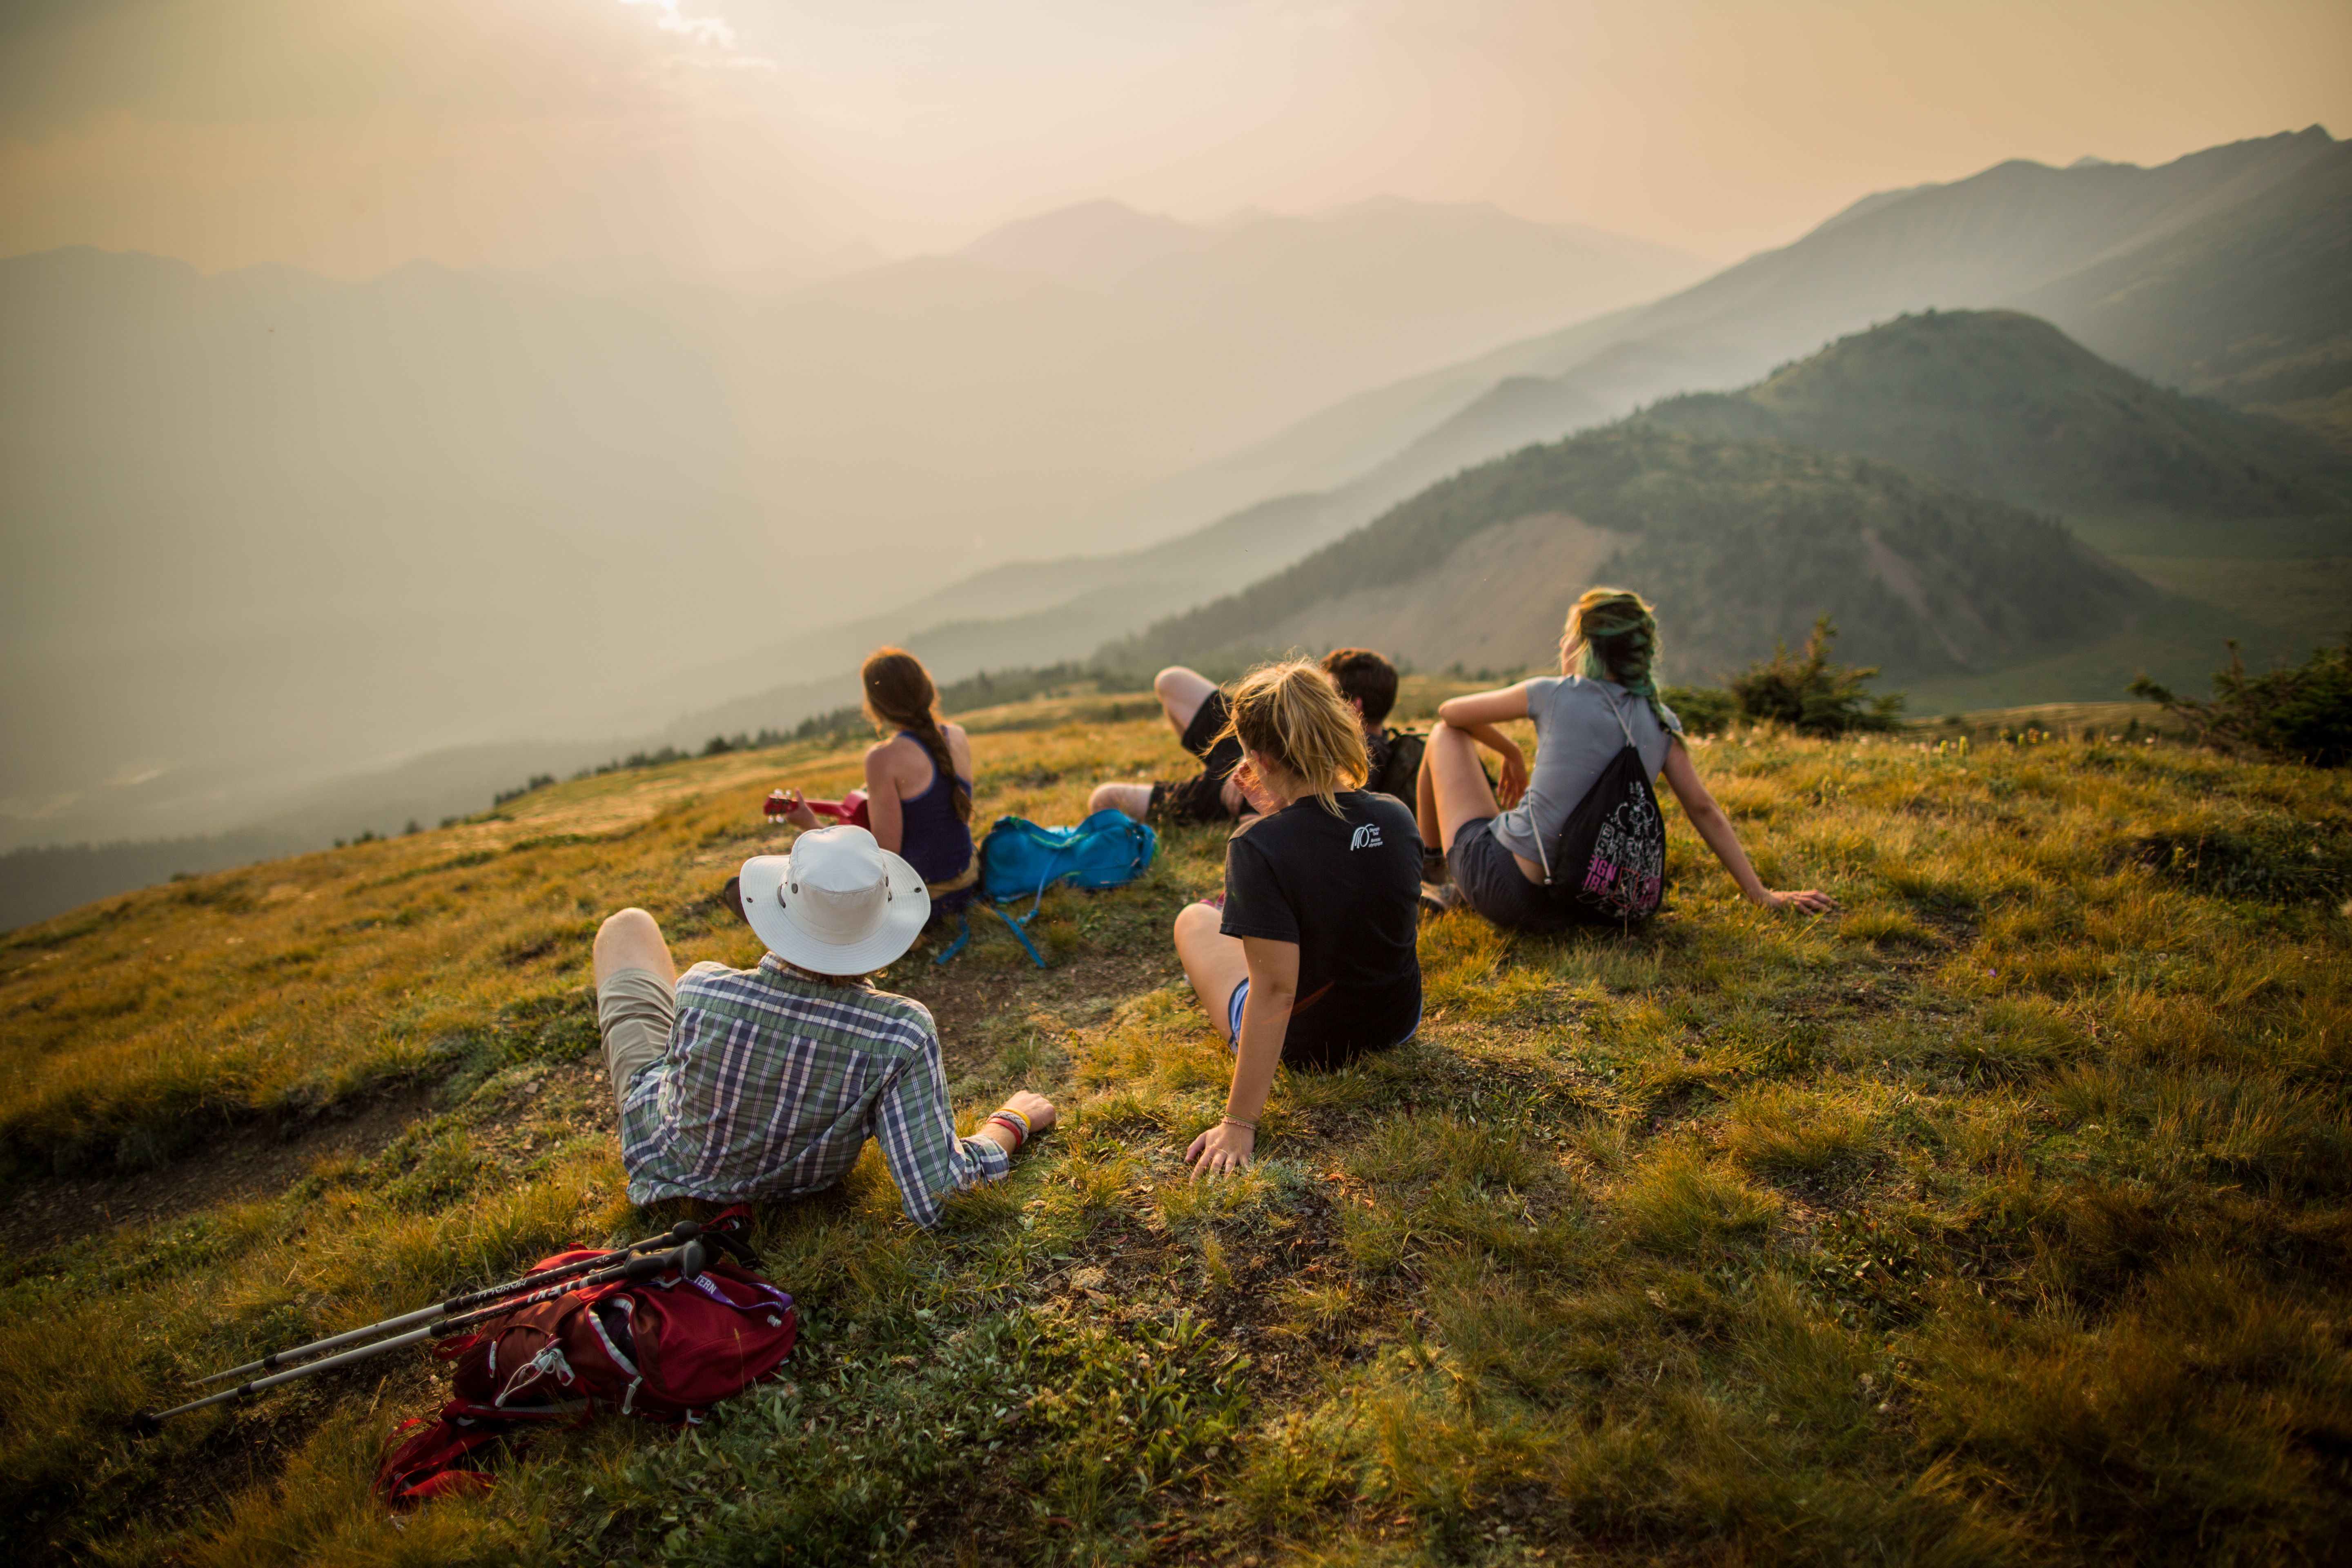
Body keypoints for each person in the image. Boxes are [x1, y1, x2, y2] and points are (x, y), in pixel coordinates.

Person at [592, 824, 1056, 1225]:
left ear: (778, 908)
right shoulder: (899, 1033)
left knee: (627, 925)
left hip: (668, 1164)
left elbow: (678, 1082)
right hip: (802, 1184)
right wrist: (1010, 1122)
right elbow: (940, 1194)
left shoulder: (701, 987)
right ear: (884, 921)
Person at [1417, 587, 1837, 930]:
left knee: (1443, 736)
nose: (1562, 644)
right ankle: (1448, 880)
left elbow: (1451, 713)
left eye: (1568, 635)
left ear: (1584, 647)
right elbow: (1703, 809)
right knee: (1507, 819)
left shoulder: (1556, 692)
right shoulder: (1660, 719)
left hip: (1510, 893)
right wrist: (1760, 894)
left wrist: (1510, 751)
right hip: (1590, 905)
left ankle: (1434, 875)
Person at [1170, 660, 1425, 1180]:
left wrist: (1239, 1122)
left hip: (1309, 1046)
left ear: (1259, 757)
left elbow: (1277, 992)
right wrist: (1279, 811)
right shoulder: (1397, 816)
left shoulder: (1256, 846)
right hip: (1398, 1021)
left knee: (1194, 920)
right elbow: (1343, 876)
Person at [1090, 649, 1520, 827]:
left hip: (1255, 786)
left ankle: (1228, 768)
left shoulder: (1360, 764)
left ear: (1351, 709)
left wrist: (1265, 809)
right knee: (1171, 682)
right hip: (1256, 757)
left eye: (1322, 692)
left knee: (1106, 799)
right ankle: (1226, 762)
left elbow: (1319, 817)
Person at [771, 648, 978, 904]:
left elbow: (882, 859)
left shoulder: (883, 759)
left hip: (924, 896)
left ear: (877, 707)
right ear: (928, 690)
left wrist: (812, 827)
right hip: (968, 877)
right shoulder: (957, 734)